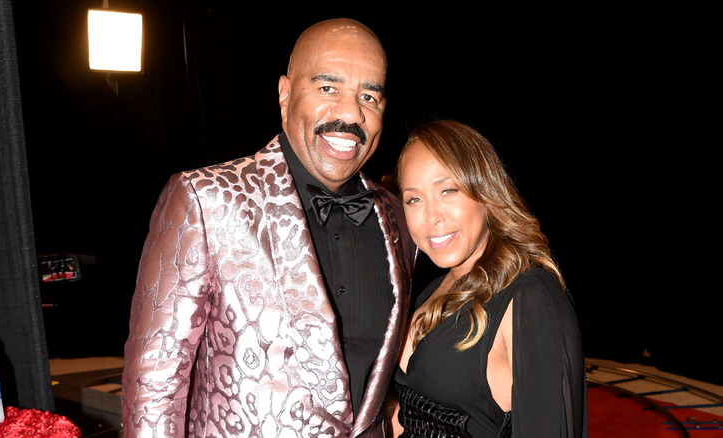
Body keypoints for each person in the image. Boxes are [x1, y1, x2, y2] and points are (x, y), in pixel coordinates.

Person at [120, 18, 417, 438]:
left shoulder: (399, 218)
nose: (351, 113)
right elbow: (154, 388)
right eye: (328, 88)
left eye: (368, 95)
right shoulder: (205, 198)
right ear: (285, 93)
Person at [390, 119, 587, 437]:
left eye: (448, 190)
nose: (431, 217)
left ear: (485, 193)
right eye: (414, 199)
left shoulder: (531, 297)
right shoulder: (431, 291)